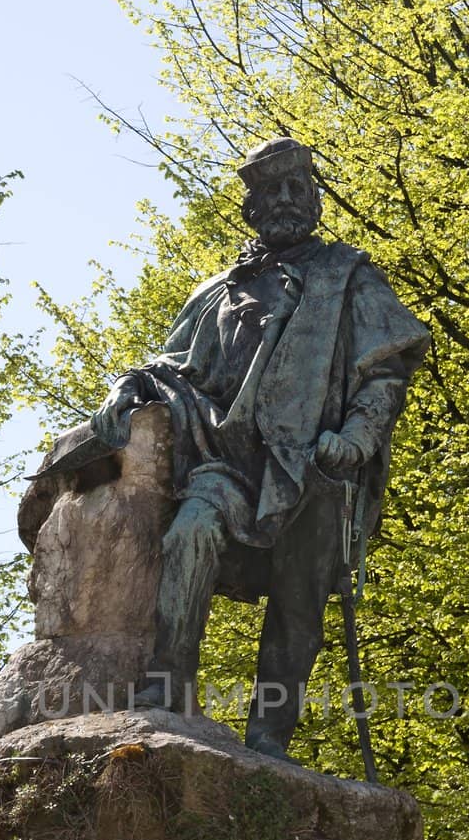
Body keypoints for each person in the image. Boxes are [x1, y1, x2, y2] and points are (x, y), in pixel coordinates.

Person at [33, 137, 429, 761]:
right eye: (272, 192)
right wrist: (128, 384)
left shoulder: (347, 274)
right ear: (250, 210)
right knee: (191, 532)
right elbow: (173, 366)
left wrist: (357, 436)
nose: (288, 200)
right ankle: (167, 695)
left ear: (317, 199)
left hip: (317, 465)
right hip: (227, 458)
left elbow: (385, 370)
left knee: (299, 606)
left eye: (299, 188)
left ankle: (269, 739)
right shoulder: (220, 290)